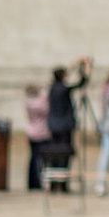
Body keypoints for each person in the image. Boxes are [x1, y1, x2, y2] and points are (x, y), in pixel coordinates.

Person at [46, 64, 79, 195]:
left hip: (53, 126)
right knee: (64, 155)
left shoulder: (52, 88)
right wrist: (84, 71)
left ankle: (54, 183)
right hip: (64, 127)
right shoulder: (63, 89)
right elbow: (80, 84)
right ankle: (63, 184)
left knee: (54, 155)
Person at [22, 74, 51, 192]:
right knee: (40, 159)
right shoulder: (40, 102)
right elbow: (47, 111)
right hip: (42, 132)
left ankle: (31, 181)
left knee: (32, 157)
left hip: (31, 132)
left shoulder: (28, 102)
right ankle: (39, 180)